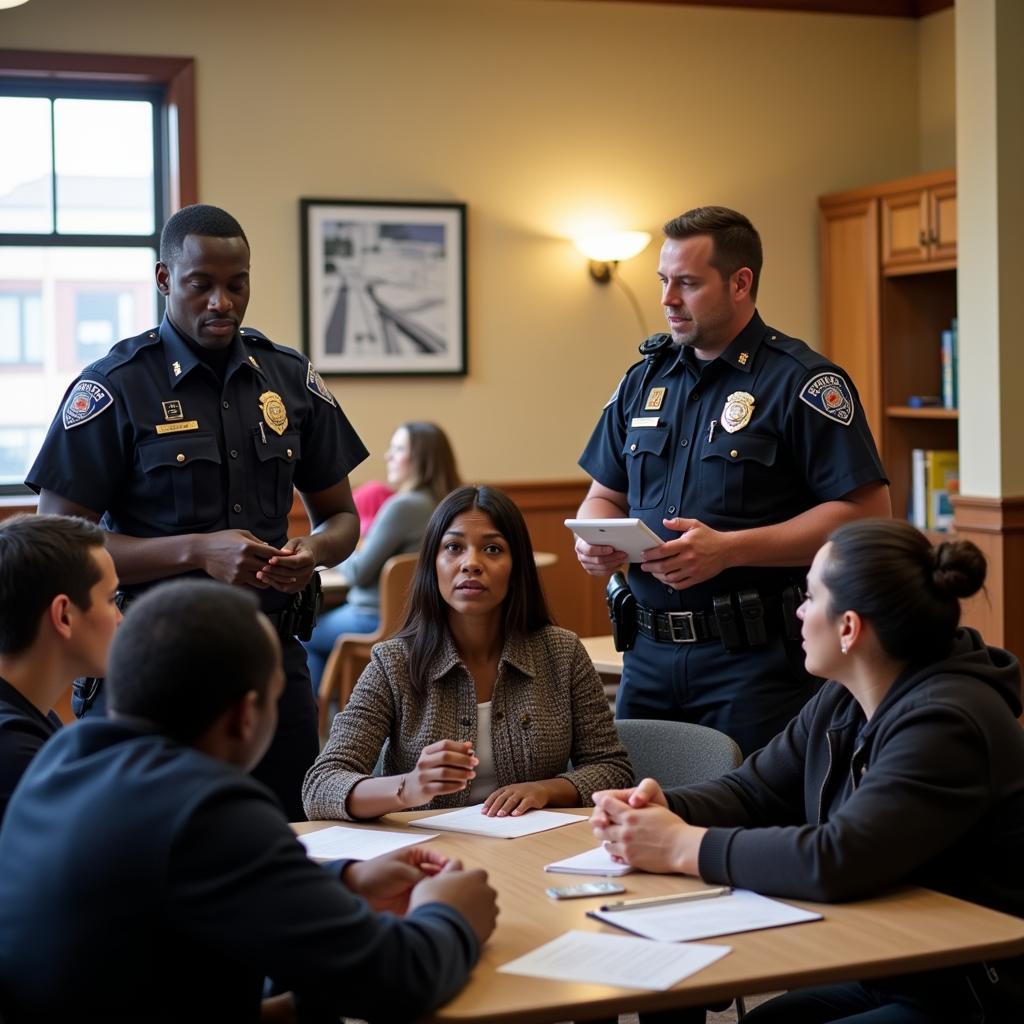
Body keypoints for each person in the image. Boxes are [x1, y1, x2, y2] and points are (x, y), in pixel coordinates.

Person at [0, 579, 498, 1022]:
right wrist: (451, 915)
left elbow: (176, 882)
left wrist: (343, 880)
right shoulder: (207, 805)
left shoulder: (62, 754)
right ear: (246, 714)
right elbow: (393, 982)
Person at [591, 519, 1024, 1023]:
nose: (797, 610)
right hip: (898, 967)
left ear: (849, 628)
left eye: (810, 597)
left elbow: (838, 857)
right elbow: (755, 790)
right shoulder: (846, 693)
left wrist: (677, 845)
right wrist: (660, 808)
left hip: (976, 988)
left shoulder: (947, 719)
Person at [25, 203, 368, 820]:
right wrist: (196, 550)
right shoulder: (116, 386)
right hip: (149, 663)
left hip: (270, 658)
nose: (222, 302)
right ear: (164, 281)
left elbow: (342, 518)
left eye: (236, 285)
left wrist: (310, 553)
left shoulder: (287, 378)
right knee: (146, 842)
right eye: (201, 285)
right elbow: (59, 548)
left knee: (291, 834)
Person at [575, 205, 890, 756]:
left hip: (755, 661)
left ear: (740, 283)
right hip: (646, 655)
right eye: (663, 281)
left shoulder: (802, 381)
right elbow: (604, 494)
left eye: (688, 283)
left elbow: (867, 513)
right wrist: (596, 540)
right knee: (634, 817)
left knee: (747, 825)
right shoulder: (643, 380)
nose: (668, 298)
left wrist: (730, 551)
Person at [303, 485, 633, 821]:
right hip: (430, 856)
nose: (471, 563)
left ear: (517, 566)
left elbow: (613, 769)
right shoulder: (394, 662)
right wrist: (409, 787)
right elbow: (321, 785)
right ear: (432, 563)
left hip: (533, 851)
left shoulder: (562, 653)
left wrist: (546, 789)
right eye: (453, 548)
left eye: (492, 549)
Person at [303, 421, 461, 693]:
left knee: (304, 633)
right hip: (425, 618)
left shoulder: (403, 506)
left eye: (398, 449)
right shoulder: (448, 505)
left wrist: (349, 542)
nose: (388, 456)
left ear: (420, 458)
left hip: (375, 618)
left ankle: (314, 718)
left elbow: (357, 573)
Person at [0, 514, 121, 823]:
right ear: (64, 616)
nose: (120, 618)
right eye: (111, 600)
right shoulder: (15, 755)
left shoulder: (33, 714)